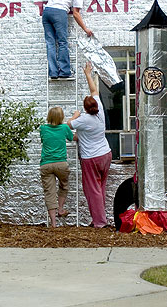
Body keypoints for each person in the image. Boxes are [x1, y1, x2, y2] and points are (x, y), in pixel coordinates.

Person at [67, 61, 112, 228]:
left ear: (85, 109)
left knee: (92, 190)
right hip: (105, 154)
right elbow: (94, 90)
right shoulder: (99, 109)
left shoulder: (84, 119)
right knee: (100, 188)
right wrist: (88, 73)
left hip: (91, 158)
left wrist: (74, 115)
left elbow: (66, 126)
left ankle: (100, 222)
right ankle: (98, 219)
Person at [43, 0, 95, 79]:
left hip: (47, 11)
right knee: (62, 42)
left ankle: (53, 72)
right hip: (59, 12)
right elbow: (76, 14)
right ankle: (64, 71)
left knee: (50, 43)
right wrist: (85, 29)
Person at [39, 107, 75, 227]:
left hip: (46, 164)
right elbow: (72, 137)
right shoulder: (64, 128)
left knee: (49, 193)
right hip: (61, 164)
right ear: (61, 117)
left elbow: (43, 140)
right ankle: (60, 209)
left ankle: (53, 223)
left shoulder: (43, 128)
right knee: (64, 186)